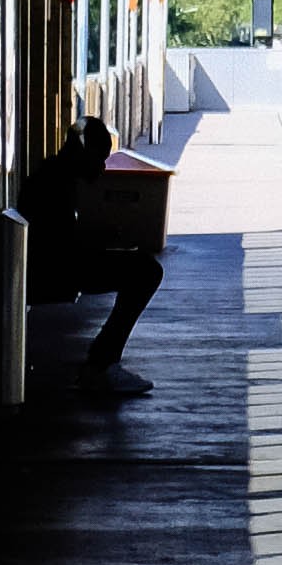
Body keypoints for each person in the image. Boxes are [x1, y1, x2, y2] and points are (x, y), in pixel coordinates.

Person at [16, 110, 176, 396]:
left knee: (140, 268)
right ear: (83, 153)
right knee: (146, 272)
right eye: (99, 158)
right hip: (52, 271)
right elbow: (64, 249)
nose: (102, 167)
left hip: (47, 264)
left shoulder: (52, 175)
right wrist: (106, 241)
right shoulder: (56, 185)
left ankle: (102, 360)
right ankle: (101, 364)